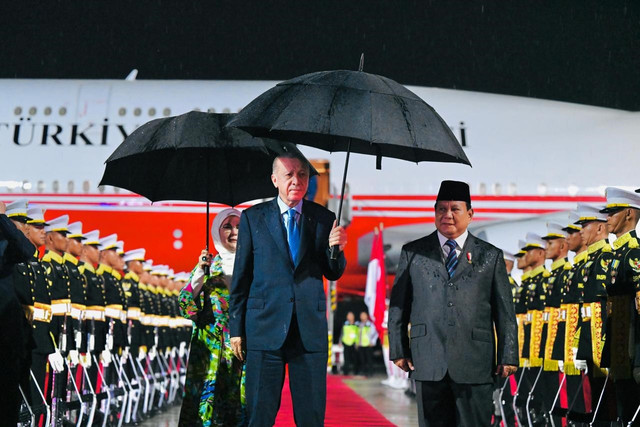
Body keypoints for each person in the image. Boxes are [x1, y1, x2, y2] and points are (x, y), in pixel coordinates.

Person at [229, 152, 347, 426]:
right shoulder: (252, 218)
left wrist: (336, 249)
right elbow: (242, 278)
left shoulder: (324, 217)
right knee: (259, 413)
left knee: (311, 415)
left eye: (302, 174)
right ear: (274, 180)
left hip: (308, 331)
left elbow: (333, 271)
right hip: (264, 328)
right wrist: (237, 329)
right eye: (289, 174)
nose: (297, 180)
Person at [388, 180, 518, 427]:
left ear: (470, 214)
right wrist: (398, 349)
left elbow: (505, 311)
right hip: (428, 360)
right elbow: (398, 307)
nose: (447, 215)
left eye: (455, 209)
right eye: (441, 209)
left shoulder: (490, 256)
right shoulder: (414, 253)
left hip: (475, 362)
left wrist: (508, 354)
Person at [178, 208, 246, 426]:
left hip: (243, 353)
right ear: (217, 232)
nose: (234, 231)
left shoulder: (254, 266)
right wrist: (199, 274)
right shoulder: (207, 267)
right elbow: (185, 306)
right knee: (208, 414)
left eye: (239, 226)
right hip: (211, 355)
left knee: (240, 411)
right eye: (227, 226)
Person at [600, 187, 640, 422]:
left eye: (613, 211)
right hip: (618, 342)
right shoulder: (618, 253)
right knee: (622, 406)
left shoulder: (634, 252)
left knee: (631, 404)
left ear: (628, 214)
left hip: (631, 344)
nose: (608, 218)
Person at [0, 200, 37, 423]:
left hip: (7, 335)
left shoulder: (6, 242)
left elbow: (27, 250)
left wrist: (2, 219)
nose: (23, 227)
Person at [356, 311, 378, 376]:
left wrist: (373, 342)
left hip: (368, 344)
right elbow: (358, 334)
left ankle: (370, 372)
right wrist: (357, 343)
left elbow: (375, 333)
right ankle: (364, 372)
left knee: (369, 359)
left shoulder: (370, 324)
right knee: (362, 359)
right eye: (361, 315)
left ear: (367, 316)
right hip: (361, 344)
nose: (363, 316)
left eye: (364, 315)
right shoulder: (359, 324)